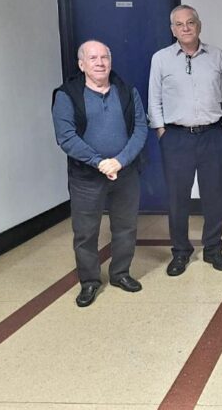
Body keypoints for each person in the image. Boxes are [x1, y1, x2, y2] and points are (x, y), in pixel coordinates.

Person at [52, 40, 147, 307]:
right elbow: (66, 137)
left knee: (126, 227)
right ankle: (90, 282)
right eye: (92, 58)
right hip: (86, 176)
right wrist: (98, 162)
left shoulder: (128, 92)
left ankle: (120, 274)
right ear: (81, 64)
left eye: (104, 57)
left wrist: (119, 161)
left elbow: (140, 129)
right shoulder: (66, 95)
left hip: (125, 173)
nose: (100, 62)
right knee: (85, 233)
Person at [148, 4, 222, 277]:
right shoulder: (161, 59)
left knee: (214, 196)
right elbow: (154, 97)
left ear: (199, 25)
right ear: (172, 29)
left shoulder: (216, 56)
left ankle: (213, 249)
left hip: (213, 135)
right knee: (178, 199)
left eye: (190, 23)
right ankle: (180, 252)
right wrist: (161, 131)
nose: (185, 28)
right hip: (175, 137)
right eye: (179, 24)